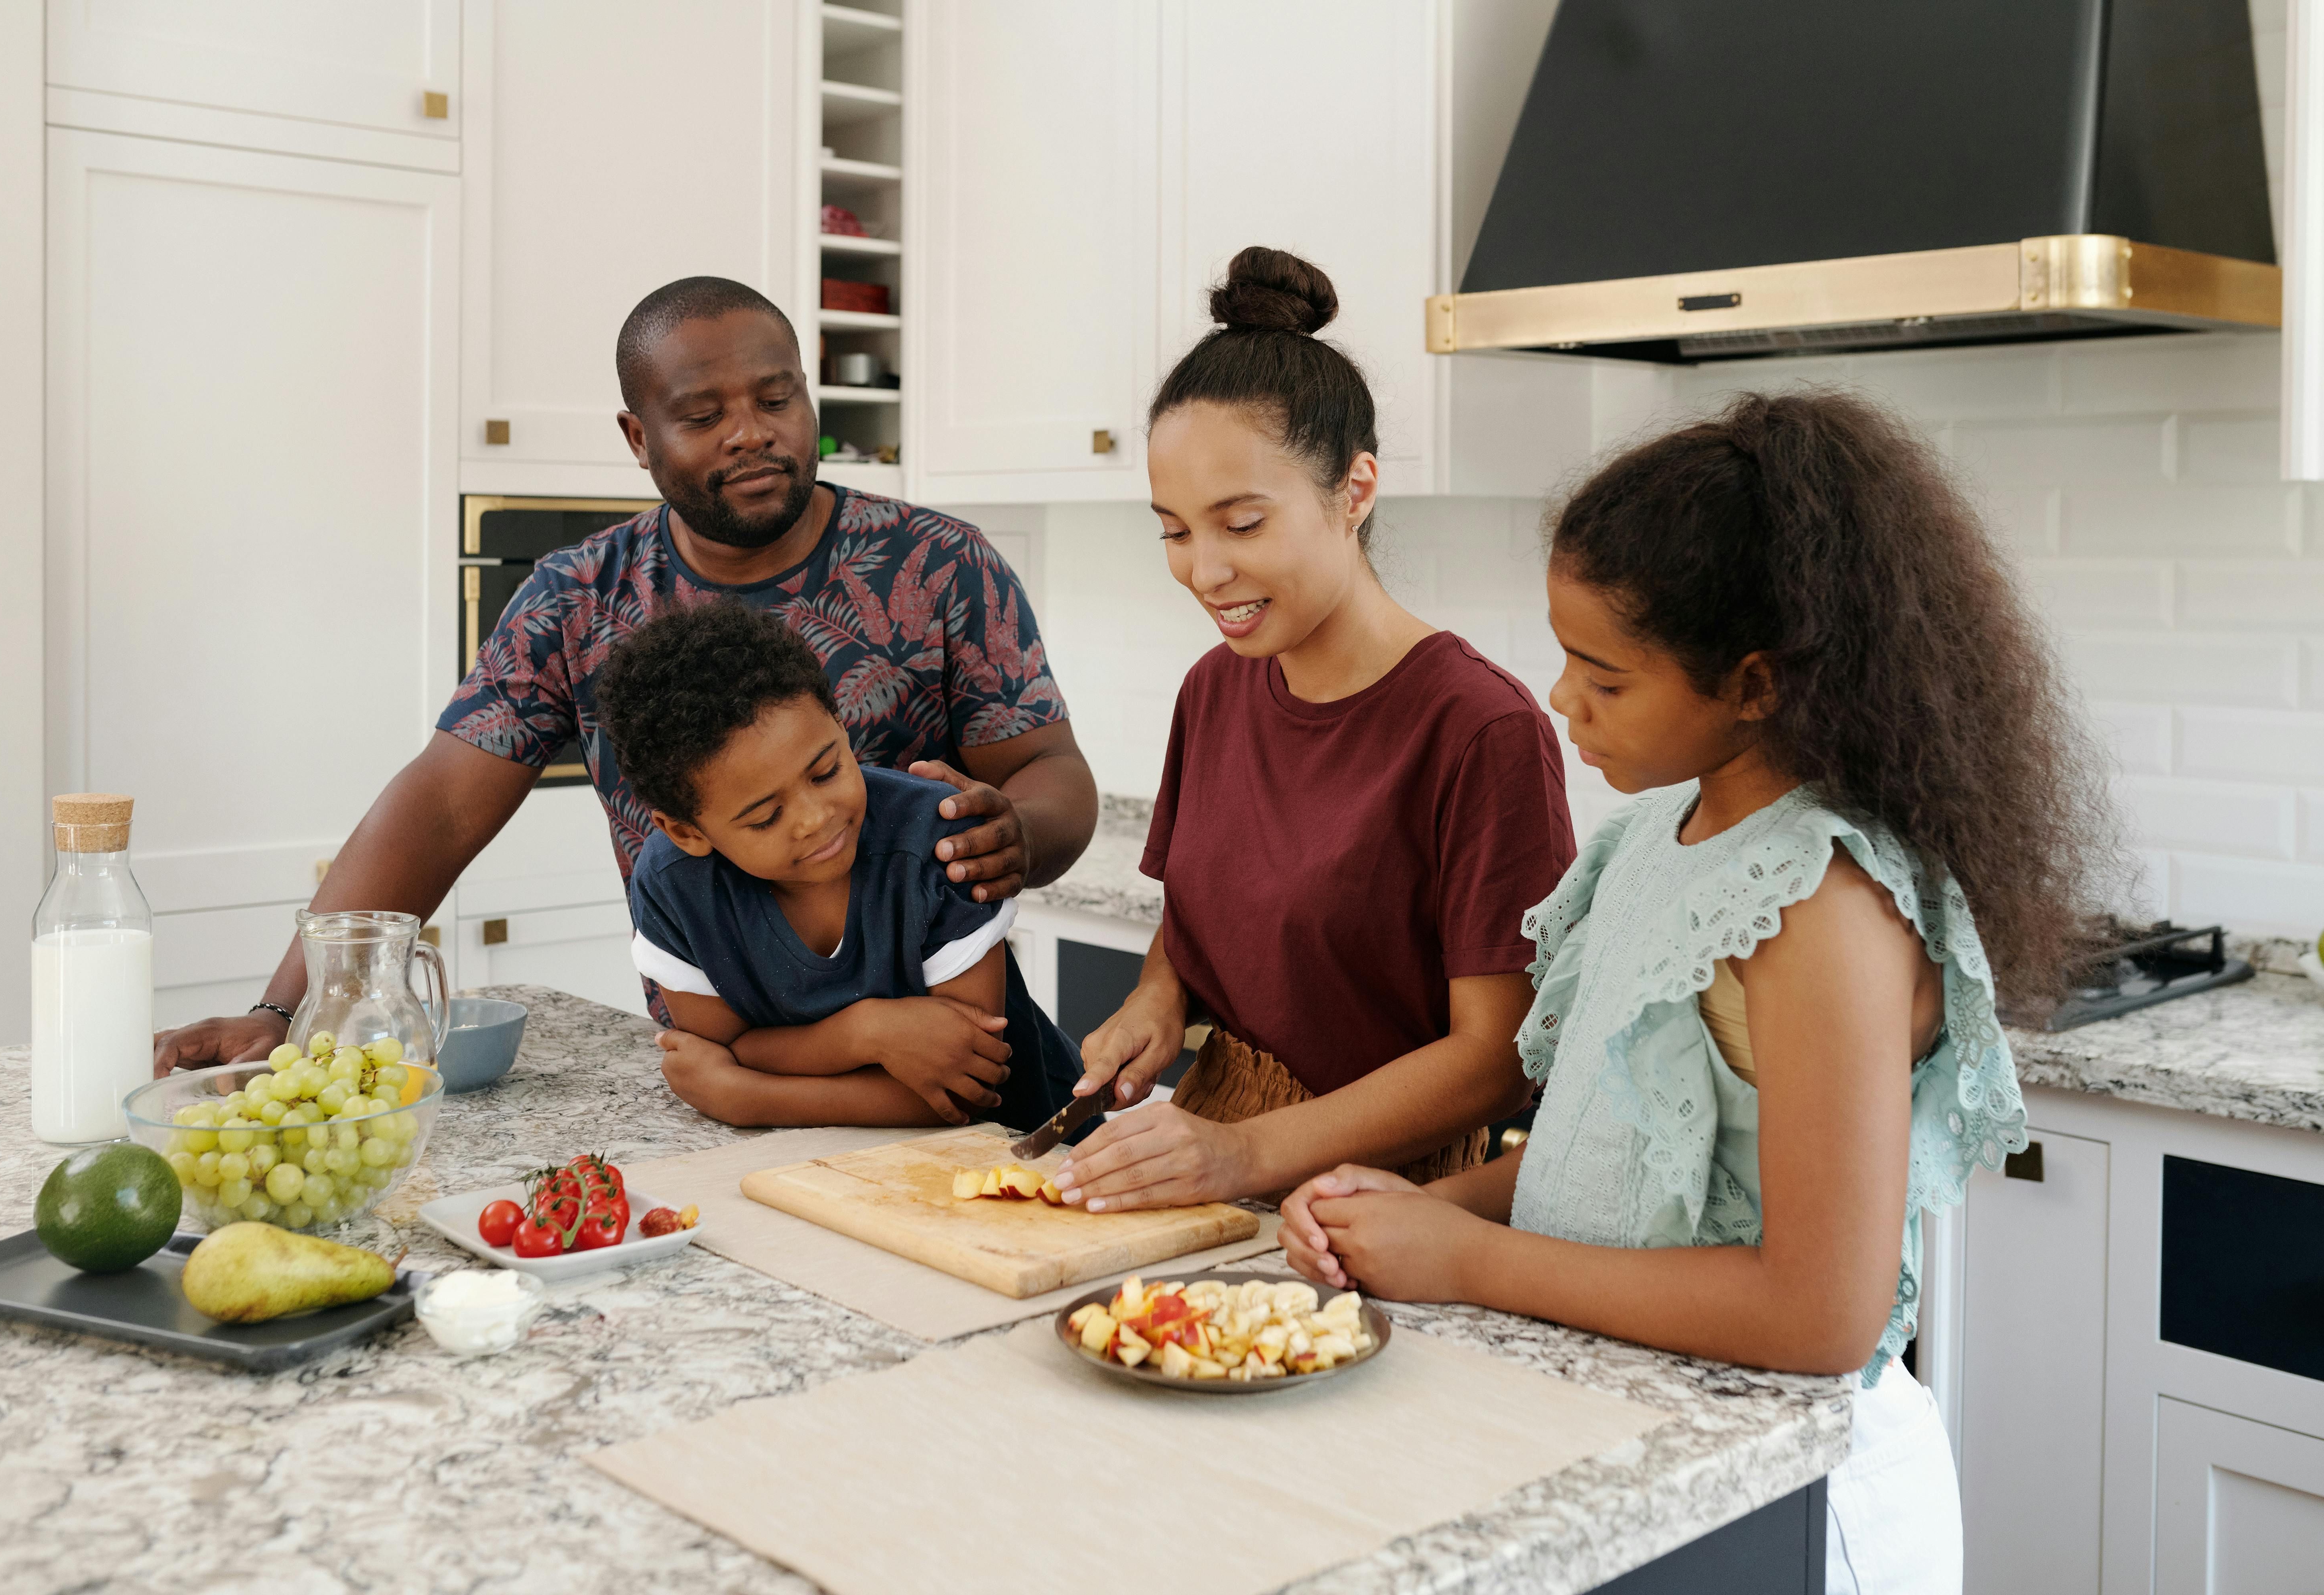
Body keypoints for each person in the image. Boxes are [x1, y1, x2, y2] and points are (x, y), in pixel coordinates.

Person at [1279, 391, 2122, 1595]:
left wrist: (1466, 1262)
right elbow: (1621, 1149)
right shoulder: (1657, 839)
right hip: (1645, 1446)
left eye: (1606, 680)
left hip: (1798, 1499)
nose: (1563, 703)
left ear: (1756, 684)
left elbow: (1818, 1312)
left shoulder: (1823, 905)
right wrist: (1424, 1212)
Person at [154, 276, 1096, 1077]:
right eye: (702, 415)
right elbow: (441, 803)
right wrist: (286, 1015)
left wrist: (1017, 829)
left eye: (777, 400)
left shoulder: (938, 565)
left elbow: (1052, 773)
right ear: (638, 437)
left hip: (943, 1059)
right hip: (732, 1067)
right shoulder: (577, 599)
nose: (750, 434)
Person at [1048, 246, 1576, 1213]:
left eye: (1241, 523)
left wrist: (1244, 1154)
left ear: (1356, 489)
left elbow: (1495, 1060)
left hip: (1392, 1192)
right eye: (1174, 530)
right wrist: (1158, 998)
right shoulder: (1215, 688)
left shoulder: (1480, 728)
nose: (1204, 571)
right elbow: (1203, 914)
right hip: (1216, 1141)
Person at [595, 601, 1085, 1132]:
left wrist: (748, 1097)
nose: (815, 819)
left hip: (1028, 1152)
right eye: (765, 817)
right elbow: (723, 1046)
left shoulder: (940, 847)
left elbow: (965, 1096)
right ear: (688, 833)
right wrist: (867, 1031)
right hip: (825, 1170)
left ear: (839, 722)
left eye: (826, 772)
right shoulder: (676, 887)